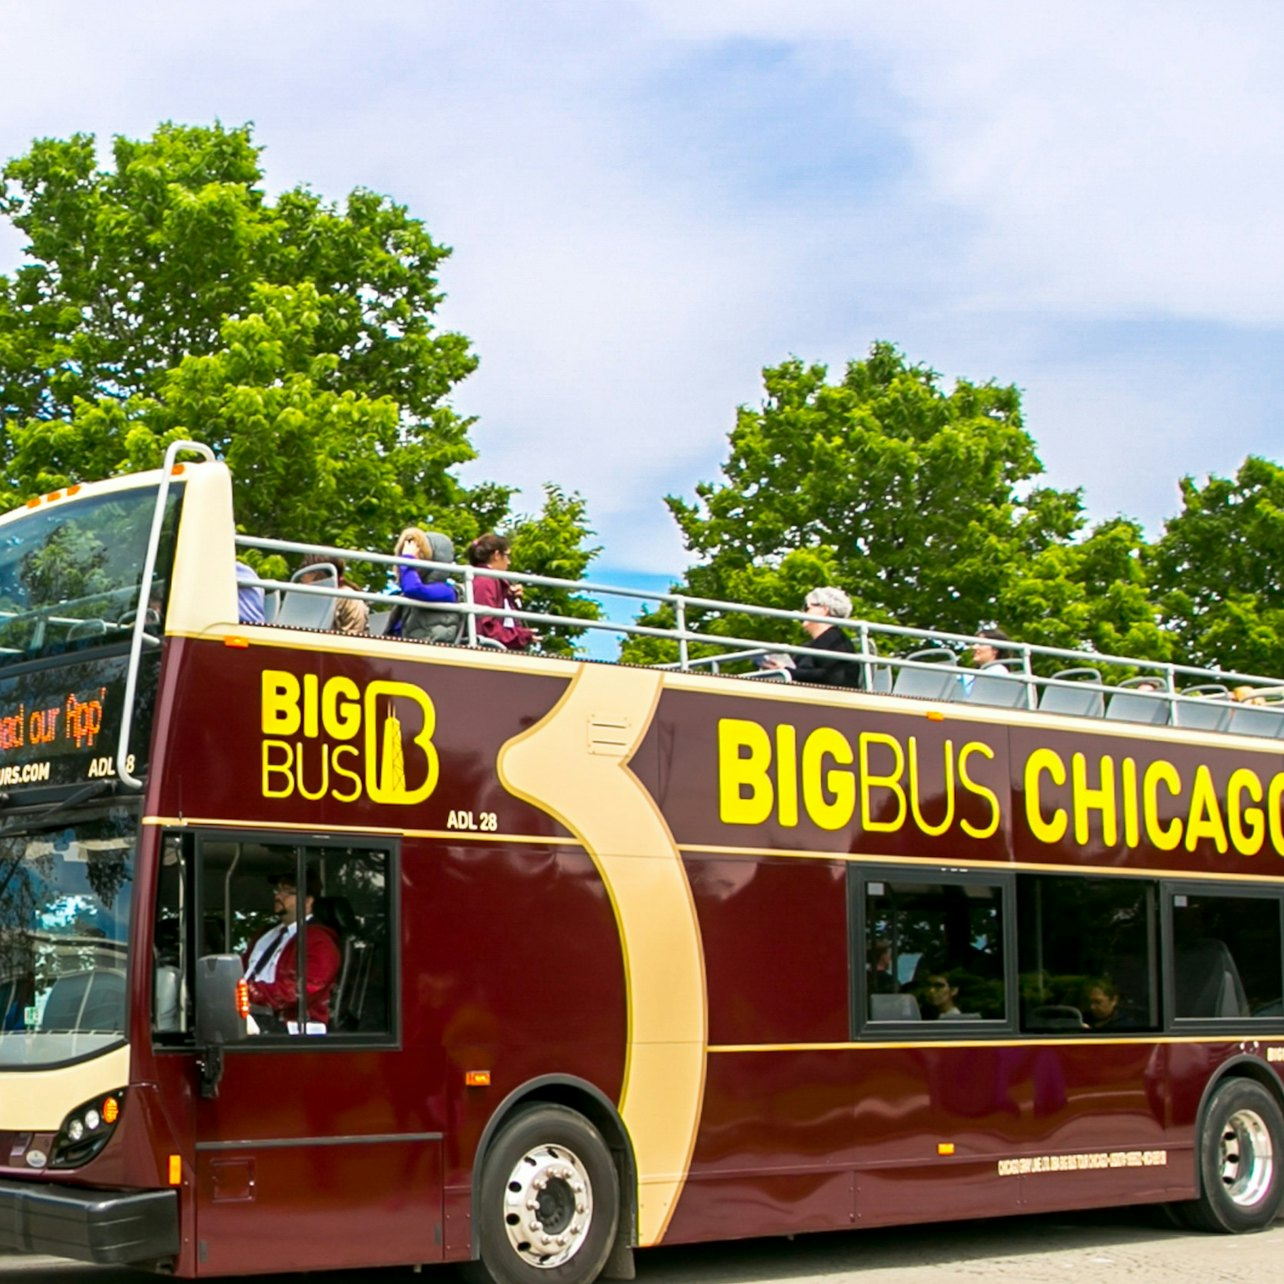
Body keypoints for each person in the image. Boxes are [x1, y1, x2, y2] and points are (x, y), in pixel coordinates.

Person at [243, 868, 341, 1034]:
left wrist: (246, 993)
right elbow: (241, 970)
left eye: (287, 892)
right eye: (278, 890)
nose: (278, 896)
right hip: (253, 1014)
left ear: (308, 901)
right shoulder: (266, 934)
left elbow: (299, 991)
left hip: (295, 1026)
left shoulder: (320, 942)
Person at [762, 586, 860, 688]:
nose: (803, 612)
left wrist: (788, 671)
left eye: (806, 607)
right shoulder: (812, 644)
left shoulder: (835, 641)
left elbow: (834, 676)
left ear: (824, 609)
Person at [390, 527, 461, 644]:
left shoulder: (447, 591)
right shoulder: (404, 596)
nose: (414, 558)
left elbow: (413, 589)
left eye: (419, 554)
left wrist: (408, 559)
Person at [466, 533, 536, 651]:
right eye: (507, 556)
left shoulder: (490, 581)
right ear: (497, 555)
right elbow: (486, 629)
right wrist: (522, 636)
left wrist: (509, 597)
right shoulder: (485, 581)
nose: (509, 562)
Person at [297, 553, 369, 636]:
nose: (302, 574)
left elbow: (353, 636)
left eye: (304, 567)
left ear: (319, 573)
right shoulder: (304, 598)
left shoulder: (348, 597)